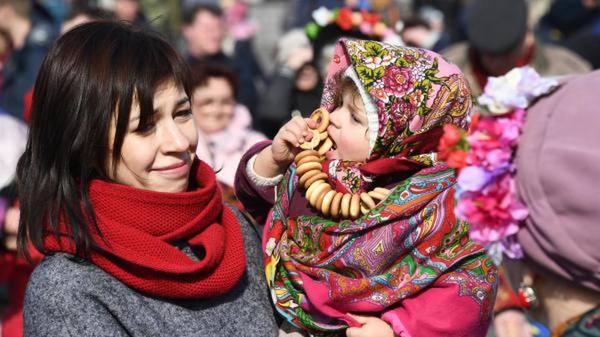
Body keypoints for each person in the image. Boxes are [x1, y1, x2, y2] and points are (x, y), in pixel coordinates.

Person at [17, 21, 278, 336]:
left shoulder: (233, 228)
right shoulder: (67, 288)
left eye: (182, 114)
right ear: (83, 141)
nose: (179, 142)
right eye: (144, 126)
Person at [235, 38, 497, 337]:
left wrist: (397, 329)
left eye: (355, 117)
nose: (333, 117)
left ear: (401, 139)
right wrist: (272, 160)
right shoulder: (320, 164)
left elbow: (465, 293)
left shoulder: (444, 206)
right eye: (340, 105)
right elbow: (258, 206)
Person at [442, 0, 591, 96]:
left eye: (506, 55)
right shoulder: (444, 74)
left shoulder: (569, 73)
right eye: (489, 56)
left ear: (528, 36)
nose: (497, 64)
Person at [191, 63, 266, 205]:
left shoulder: (255, 143)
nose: (217, 110)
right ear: (190, 104)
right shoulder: (184, 146)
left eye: (225, 102)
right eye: (208, 102)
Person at [181, 3, 262, 115]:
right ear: (187, 30)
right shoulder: (178, 72)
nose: (215, 34)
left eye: (219, 27)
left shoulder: (237, 68)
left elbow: (249, 105)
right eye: (207, 28)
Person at [0, 0, 55, 119]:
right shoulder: (18, 46)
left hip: (20, 126)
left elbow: (32, 93)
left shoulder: (37, 47)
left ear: (6, 12)